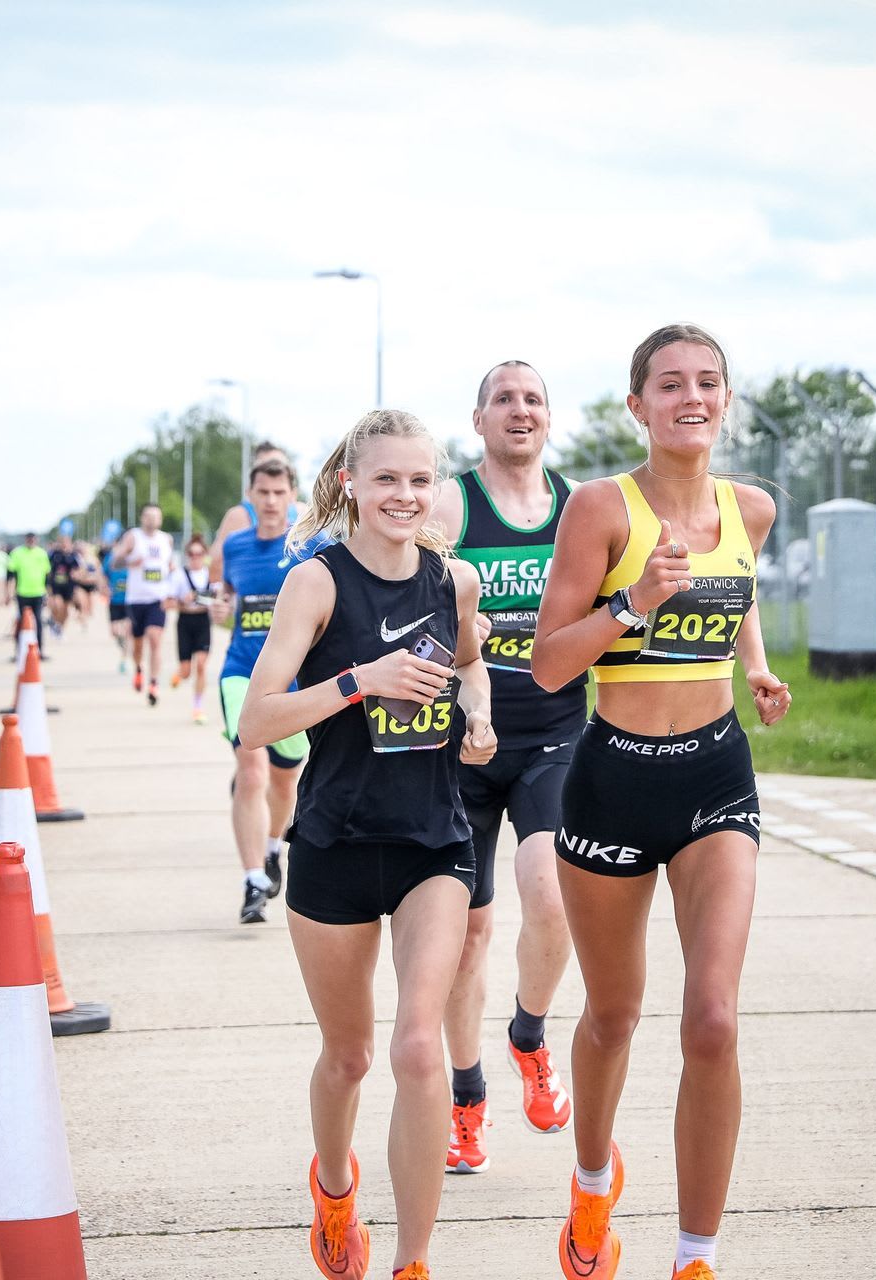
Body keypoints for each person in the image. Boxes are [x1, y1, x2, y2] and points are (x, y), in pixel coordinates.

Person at [532, 324, 792, 1280]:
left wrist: (755, 668)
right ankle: (593, 1184)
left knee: (713, 1019)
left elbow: (740, 593)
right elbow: (550, 662)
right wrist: (634, 601)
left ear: (727, 400)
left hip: (715, 775)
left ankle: (695, 1258)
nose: (693, 397)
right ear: (636, 405)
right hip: (612, 779)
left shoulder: (751, 508)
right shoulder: (602, 507)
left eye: (709, 382)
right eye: (671, 384)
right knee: (612, 1014)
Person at [238, 409, 496, 1280]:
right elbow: (256, 720)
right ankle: (337, 1188)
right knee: (348, 1056)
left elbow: (467, 663)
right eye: (387, 478)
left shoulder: (452, 581)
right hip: (334, 842)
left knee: (418, 1045)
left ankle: (415, 1263)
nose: (404, 495)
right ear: (351, 481)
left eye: (420, 480)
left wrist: (480, 714)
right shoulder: (317, 583)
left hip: (433, 841)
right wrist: (358, 682)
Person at [425, 359, 584, 1176]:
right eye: (503, 399)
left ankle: (529, 1032)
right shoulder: (452, 503)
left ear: (548, 419)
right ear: (478, 419)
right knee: (465, 937)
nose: (519, 410)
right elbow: (412, 604)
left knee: (552, 888)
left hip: (556, 733)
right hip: (459, 745)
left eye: (532, 399)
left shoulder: (579, 509)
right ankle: (467, 1098)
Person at [210, 456, 315, 924]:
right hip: (241, 673)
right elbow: (229, 601)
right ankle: (253, 880)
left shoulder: (311, 545)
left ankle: (274, 847)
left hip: (294, 683)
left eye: (279, 493)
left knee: (285, 779)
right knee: (250, 769)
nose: (271, 502)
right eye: (262, 493)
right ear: (250, 497)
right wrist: (222, 611)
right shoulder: (235, 546)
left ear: (292, 496)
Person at [112, 504, 175, 705]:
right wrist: (130, 561)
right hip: (136, 599)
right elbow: (115, 563)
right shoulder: (133, 537)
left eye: (155, 516)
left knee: (155, 639)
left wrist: (172, 586)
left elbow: (170, 566)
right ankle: (139, 669)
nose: (151, 520)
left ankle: (154, 683)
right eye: (148, 516)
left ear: (161, 520)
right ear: (142, 518)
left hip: (158, 599)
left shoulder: (167, 540)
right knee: (138, 644)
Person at [208, 439, 295, 562]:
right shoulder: (239, 516)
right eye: (266, 466)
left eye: (279, 465)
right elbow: (215, 566)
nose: (273, 470)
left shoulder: (302, 513)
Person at [167, 533, 215, 724]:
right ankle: (178, 675)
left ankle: (198, 707)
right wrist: (182, 600)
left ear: (205, 554)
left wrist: (216, 602)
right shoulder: (179, 575)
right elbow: (167, 602)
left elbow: (221, 597)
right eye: (192, 554)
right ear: (187, 555)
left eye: (199, 553)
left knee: (201, 666)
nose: (195, 557)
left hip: (203, 621)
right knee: (186, 671)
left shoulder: (211, 575)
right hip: (185, 621)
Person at [5, 532, 50, 661]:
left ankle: (39, 650)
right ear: (26, 540)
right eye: (29, 539)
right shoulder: (17, 553)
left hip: (38, 592)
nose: (31, 541)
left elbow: (47, 575)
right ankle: (19, 651)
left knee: (39, 622)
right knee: (21, 622)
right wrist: (9, 592)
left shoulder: (42, 553)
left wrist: (48, 593)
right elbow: (11, 574)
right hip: (22, 593)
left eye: (33, 539)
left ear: (36, 540)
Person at [101, 541, 130, 670]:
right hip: (114, 600)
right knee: (114, 632)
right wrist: (104, 587)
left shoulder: (133, 557)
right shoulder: (110, 558)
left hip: (129, 601)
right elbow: (103, 575)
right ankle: (123, 645)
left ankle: (124, 660)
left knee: (127, 631)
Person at [47, 532, 79, 635]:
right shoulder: (54, 554)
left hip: (68, 586)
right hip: (56, 586)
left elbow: (79, 569)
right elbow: (48, 569)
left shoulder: (73, 555)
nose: (65, 544)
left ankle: (60, 628)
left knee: (65, 611)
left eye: (67, 542)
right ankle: (54, 621)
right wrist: (48, 585)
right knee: (58, 605)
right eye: (63, 542)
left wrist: (76, 574)